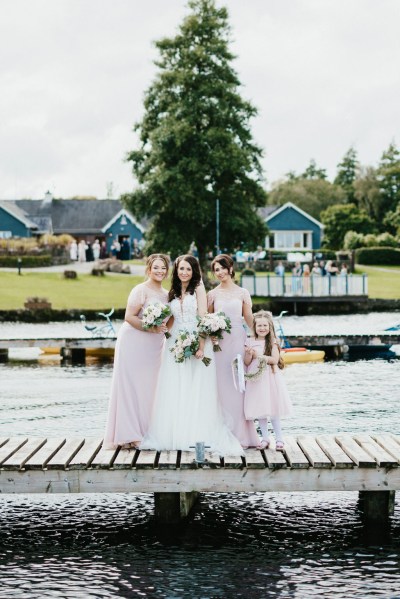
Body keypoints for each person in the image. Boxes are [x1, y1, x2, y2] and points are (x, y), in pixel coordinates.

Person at [141, 255, 243, 455]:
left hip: (197, 340)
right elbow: (171, 320)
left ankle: (196, 434)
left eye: (188, 269)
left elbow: (203, 318)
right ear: (176, 271)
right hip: (174, 343)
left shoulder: (198, 288)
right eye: (180, 269)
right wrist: (161, 328)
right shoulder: (172, 291)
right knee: (175, 387)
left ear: (194, 270)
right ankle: (174, 434)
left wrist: (200, 344)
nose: (184, 272)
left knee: (196, 387)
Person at [104, 254, 170, 449]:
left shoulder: (167, 295)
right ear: (148, 269)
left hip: (154, 347)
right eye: (156, 267)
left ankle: (144, 430)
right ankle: (129, 434)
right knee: (130, 387)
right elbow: (129, 317)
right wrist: (150, 327)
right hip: (133, 342)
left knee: (148, 388)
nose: (159, 271)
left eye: (163, 268)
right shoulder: (140, 290)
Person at [207, 254, 259, 448]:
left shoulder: (242, 293)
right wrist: (210, 335)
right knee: (221, 387)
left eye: (222, 268)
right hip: (220, 344)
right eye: (216, 270)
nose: (220, 272)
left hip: (238, 340)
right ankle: (223, 431)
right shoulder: (212, 294)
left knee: (239, 387)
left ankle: (242, 435)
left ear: (230, 268)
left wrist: (260, 338)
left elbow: (248, 318)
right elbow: (206, 320)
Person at [243, 310, 293, 451]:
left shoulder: (272, 342)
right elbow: (247, 363)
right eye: (259, 326)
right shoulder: (249, 341)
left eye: (265, 325)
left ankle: (279, 439)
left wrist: (259, 356)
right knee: (261, 410)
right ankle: (264, 438)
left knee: (273, 409)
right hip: (255, 380)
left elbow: (274, 360)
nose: (262, 328)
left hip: (269, 378)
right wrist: (249, 354)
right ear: (254, 327)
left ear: (270, 327)